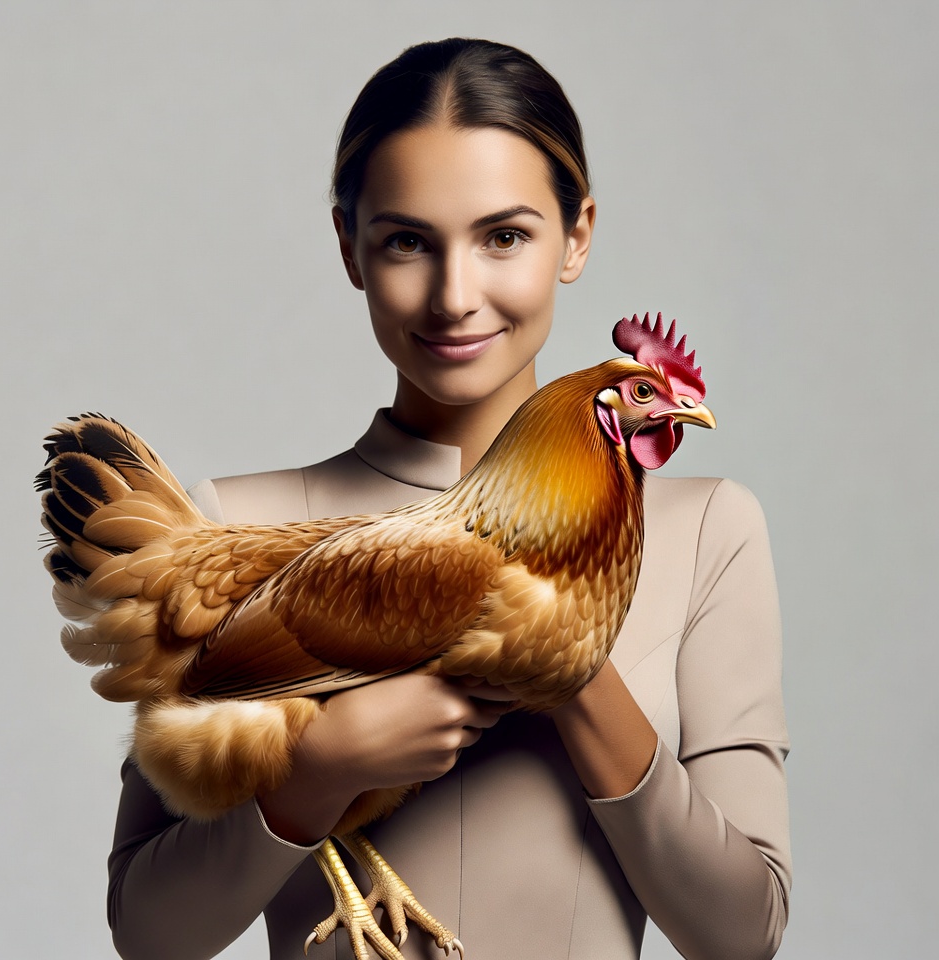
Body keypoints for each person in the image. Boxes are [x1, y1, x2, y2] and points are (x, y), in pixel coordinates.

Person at [107, 38, 791, 960]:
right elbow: (150, 936)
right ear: (351, 249)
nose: (455, 296)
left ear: (576, 235)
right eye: (406, 241)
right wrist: (315, 774)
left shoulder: (707, 531)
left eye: (504, 235)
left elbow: (744, 935)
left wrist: (568, 657)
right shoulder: (236, 518)